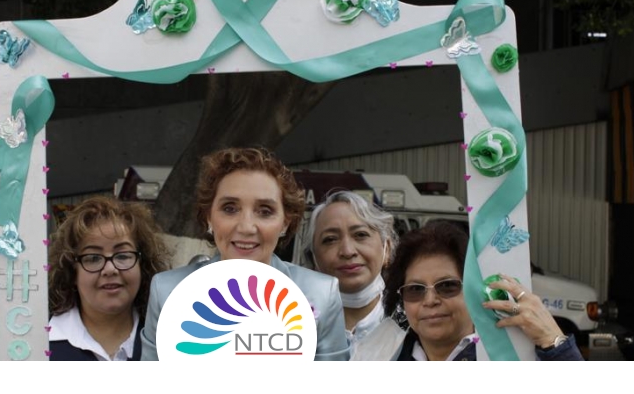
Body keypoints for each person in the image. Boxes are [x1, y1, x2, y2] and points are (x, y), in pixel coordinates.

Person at [140, 147, 350, 360]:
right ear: (209, 217)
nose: (246, 227)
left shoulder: (321, 294)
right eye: (230, 209)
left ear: (286, 222)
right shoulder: (167, 291)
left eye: (265, 211)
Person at [355, 221, 582, 361]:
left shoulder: (515, 354)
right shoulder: (381, 357)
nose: (430, 300)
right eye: (415, 289)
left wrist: (554, 342)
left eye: (447, 286)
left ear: (474, 290)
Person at [45, 196, 170, 360]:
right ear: (72, 271)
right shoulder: (37, 341)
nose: (110, 270)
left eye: (123, 256)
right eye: (93, 258)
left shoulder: (170, 338)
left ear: (143, 265)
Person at [307, 190, 398, 354]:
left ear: (387, 249)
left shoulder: (411, 326)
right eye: (330, 239)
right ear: (313, 258)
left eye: (360, 235)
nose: (348, 251)